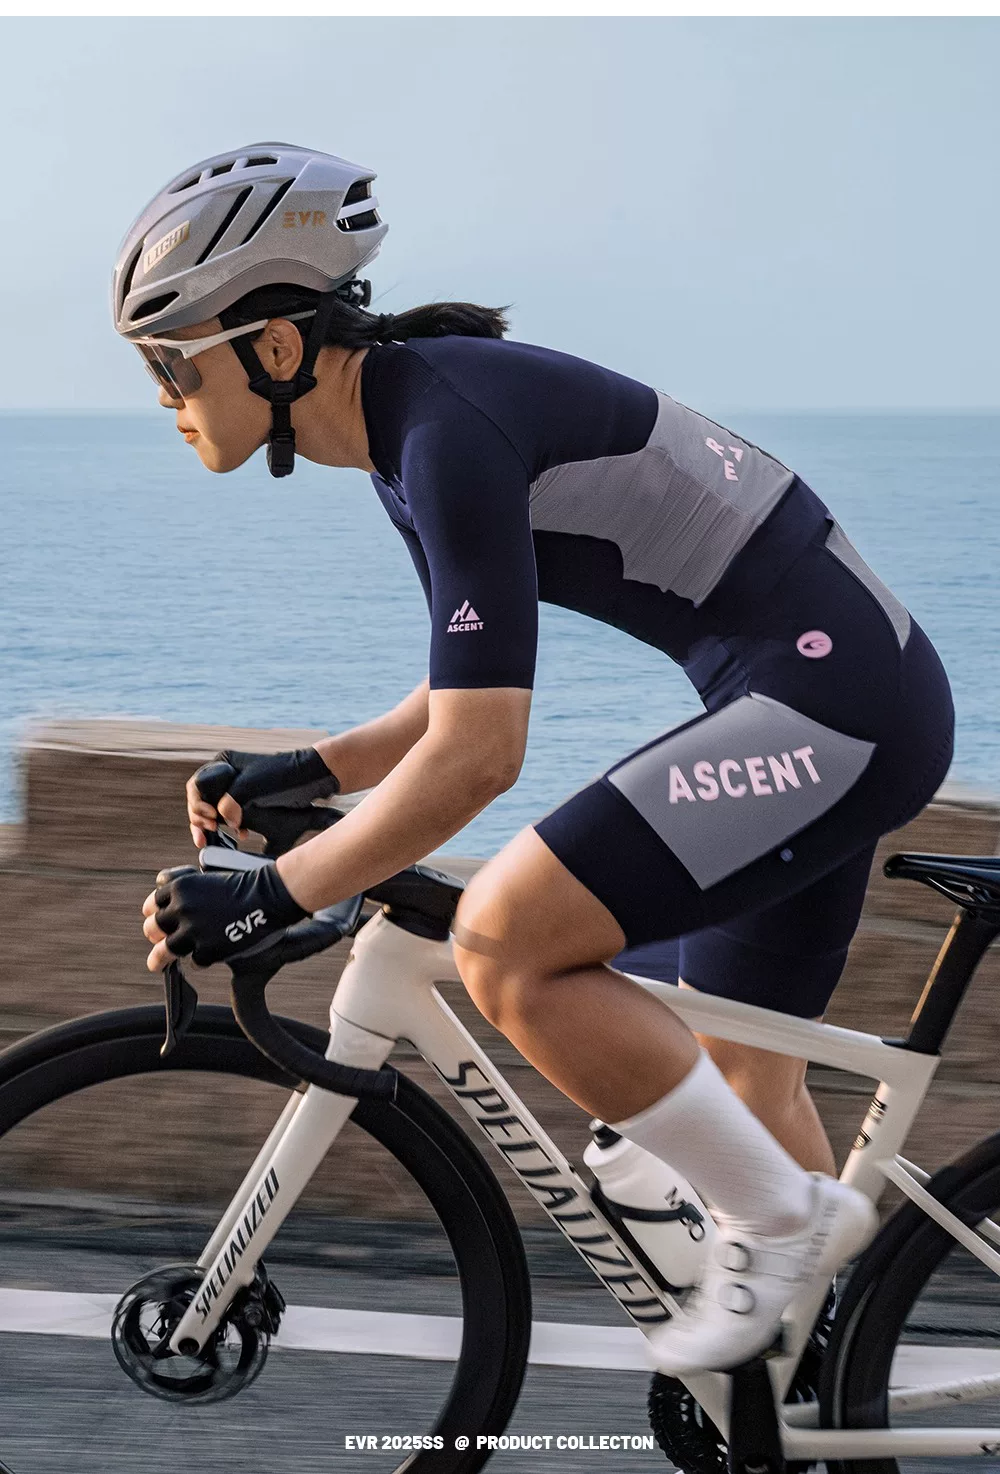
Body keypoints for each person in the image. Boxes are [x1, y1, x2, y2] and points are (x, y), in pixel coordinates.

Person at [119, 143, 953, 1374]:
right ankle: (812, 1400)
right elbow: (459, 689)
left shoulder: (445, 433)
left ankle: (782, 1225)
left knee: (508, 941)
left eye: (171, 362)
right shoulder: (412, 425)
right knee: (739, 1077)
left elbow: (478, 757)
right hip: (842, 698)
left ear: (276, 346)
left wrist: (275, 895)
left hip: (832, 707)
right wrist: (309, 768)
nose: (162, 395)